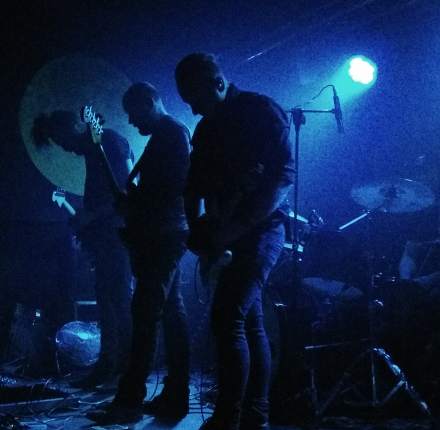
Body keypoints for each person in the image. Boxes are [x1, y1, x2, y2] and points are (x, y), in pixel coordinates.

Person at [174, 53, 296, 430]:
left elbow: (282, 178)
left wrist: (237, 226)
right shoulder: (205, 129)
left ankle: (228, 419)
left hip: (262, 231)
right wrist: (199, 234)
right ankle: (255, 418)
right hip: (227, 231)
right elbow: (192, 186)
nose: (193, 109)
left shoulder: (261, 111)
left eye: (196, 99)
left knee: (227, 319)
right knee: (249, 324)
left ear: (218, 82)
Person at [85, 82, 192, 424]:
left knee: (144, 315)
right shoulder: (166, 135)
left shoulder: (173, 134)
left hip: (164, 237)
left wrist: (135, 207)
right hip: (165, 235)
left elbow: (174, 188)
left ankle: (129, 401)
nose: (131, 122)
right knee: (171, 314)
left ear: (149, 103)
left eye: (133, 114)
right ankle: (175, 396)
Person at [32, 109, 134, 389]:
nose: (64, 147)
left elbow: (127, 193)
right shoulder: (92, 150)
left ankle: (127, 369)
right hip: (107, 238)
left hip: (119, 237)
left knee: (120, 302)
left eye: (60, 139)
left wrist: (90, 217)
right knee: (108, 302)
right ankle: (108, 366)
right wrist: (87, 220)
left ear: (74, 127)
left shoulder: (108, 141)